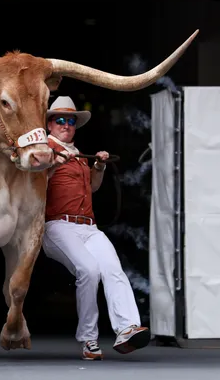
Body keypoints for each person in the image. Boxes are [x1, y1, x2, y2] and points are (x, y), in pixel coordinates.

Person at [42, 96, 150, 361]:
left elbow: (93, 187)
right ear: (49, 124)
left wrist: (98, 166)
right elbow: (32, 182)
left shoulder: (79, 155)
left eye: (70, 121)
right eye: (60, 120)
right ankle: (89, 339)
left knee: (113, 269)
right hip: (57, 225)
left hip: (88, 227)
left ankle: (126, 328)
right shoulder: (42, 150)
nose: (66, 125)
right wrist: (55, 162)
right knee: (88, 270)